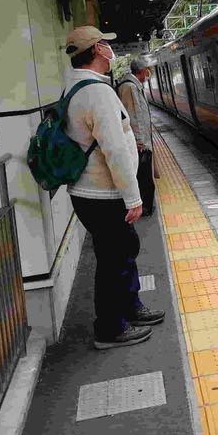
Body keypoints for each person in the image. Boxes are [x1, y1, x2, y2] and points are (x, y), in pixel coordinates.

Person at [63, 26, 165, 350]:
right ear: (96, 50)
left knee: (123, 252)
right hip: (103, 194)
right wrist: (133, 197)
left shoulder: (75, 88)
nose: (110, 48)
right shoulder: (97, 93)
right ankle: (110, 328)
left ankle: (130, 308)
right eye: (105, 43)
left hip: (91, 192)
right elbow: (115, 149)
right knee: (112, 260)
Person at [116, 56, 156, 217]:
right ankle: (144, 208)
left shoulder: (134, 86)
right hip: (140, 145)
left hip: (142, 142)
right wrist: (139, 142)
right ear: (142, 71)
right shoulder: (129, 87)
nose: (150, 72)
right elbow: (132, 116)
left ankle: (146, 206)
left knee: (145, 177)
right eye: (149, 69)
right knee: (143, 178)